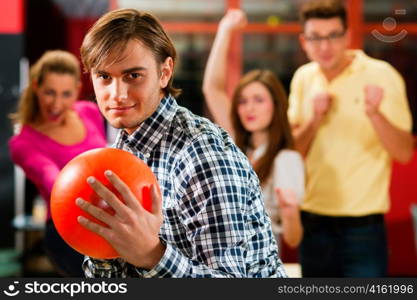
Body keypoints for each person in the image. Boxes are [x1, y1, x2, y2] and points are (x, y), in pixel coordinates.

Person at [77, 8, 286, 278]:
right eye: (104, 77)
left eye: (133, 76)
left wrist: (151, 254)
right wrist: (101, 246)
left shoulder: (203, 154)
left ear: (164, 73)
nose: (117, 94)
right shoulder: (120, 151)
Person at [288, 0, 413, 277]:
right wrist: (314, 120)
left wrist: (374, 113)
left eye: (333, 35)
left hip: (364, 227)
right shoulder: (303, 79)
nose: (325, 46)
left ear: (346, 36)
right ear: (303, 41)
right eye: (315, 38)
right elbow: (293, 151)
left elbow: (404, 152)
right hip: (312, 220)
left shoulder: (381, 75)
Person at [202, 9, 304, 250]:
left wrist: (290, 212)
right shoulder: (236, 144)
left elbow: (293, 238)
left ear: (276, 105)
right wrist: (225, 30)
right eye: (243, 101)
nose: (250, 108)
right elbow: (212, 89)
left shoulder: (286, 159)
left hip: (258, 258)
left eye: (259, 100)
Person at [9, 50, 107, 277]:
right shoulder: (23, 142)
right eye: (49, 93)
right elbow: (53, 180)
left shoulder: (89, 112)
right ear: (36, 87)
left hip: (108, 217)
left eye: (66, 94)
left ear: (77, 91)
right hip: (67, 230)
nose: (57, 103)